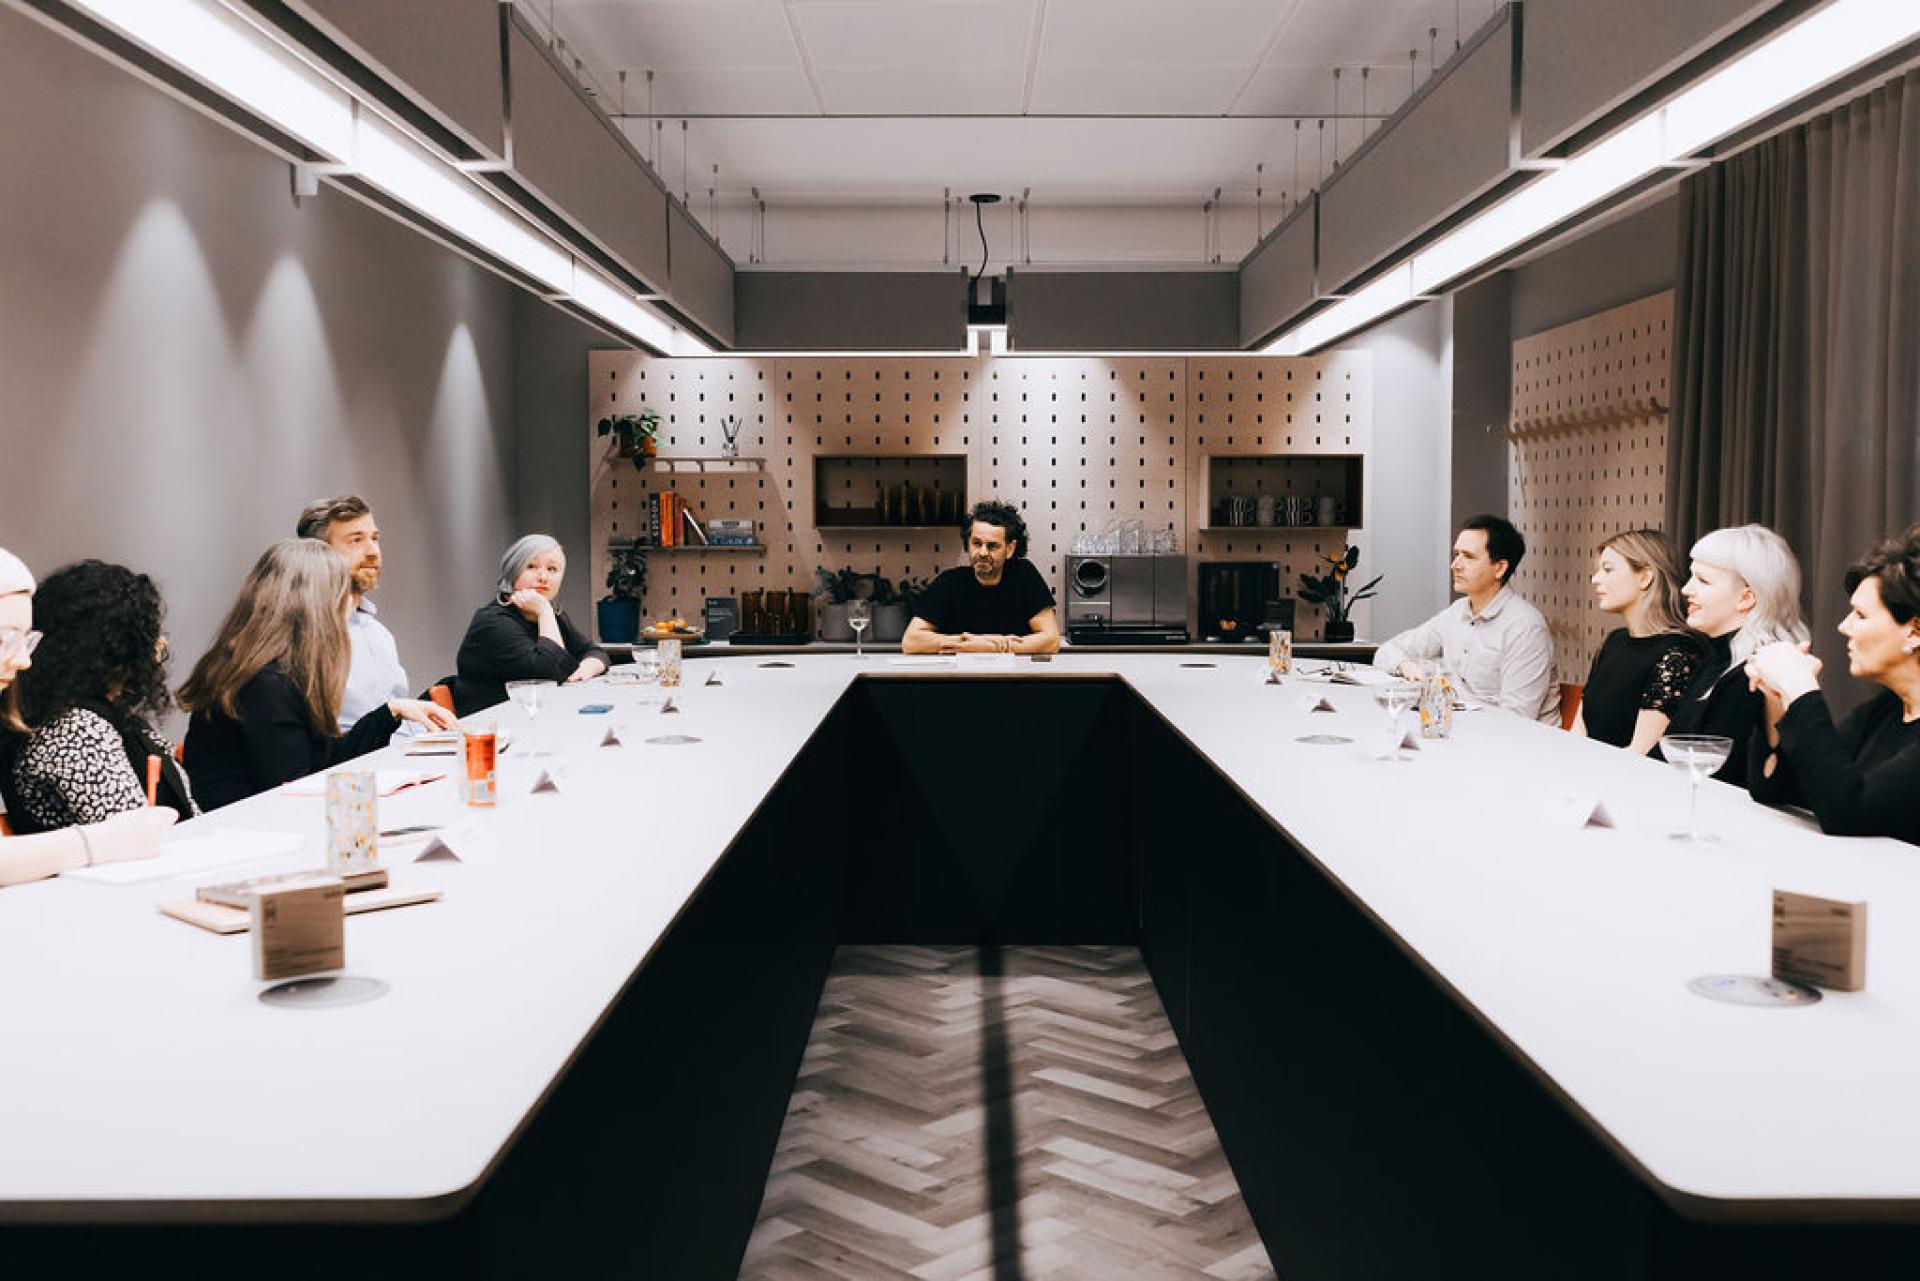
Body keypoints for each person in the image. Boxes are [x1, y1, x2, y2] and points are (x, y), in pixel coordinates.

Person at [180, 539, 455, 811]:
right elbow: (296, 791)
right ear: (314, 606)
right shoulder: (265, 685)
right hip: (250, 837)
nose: (349, 604)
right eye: (342, 593)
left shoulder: (266, 671)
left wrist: (393, 711)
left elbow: (321, 760)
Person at [0, 547, 174, 886]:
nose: (24, 661)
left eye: (27, 641)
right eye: (6, 639)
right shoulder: (73, 727)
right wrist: (101, 841)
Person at [1745, 524, 1920, 844]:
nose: (1843, 626)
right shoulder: (1884, 711)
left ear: (1914, 631)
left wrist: (1801, 689)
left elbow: (1848, 812)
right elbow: (1778, 788)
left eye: (1861, 615)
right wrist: (1778, 697)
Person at [1658, 525, 1809, 786]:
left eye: (1703, 581)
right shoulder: (1717, 660)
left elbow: (1721, 780)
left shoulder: (1754, 675)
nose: (1685, 590)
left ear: (1746, 598)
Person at [1372, 514, 1557, 722]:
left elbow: (1517, 719)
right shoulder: (1457, 612)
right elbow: (1385, 652)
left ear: (1500, 568)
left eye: (1468, 557)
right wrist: (1405, 665)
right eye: (1456, 554)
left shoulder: (1526, 627)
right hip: (1459, 731)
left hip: (1513, 746)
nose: (1455, 565)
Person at [1570, 531, 1708, 755]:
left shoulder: (1678, 652)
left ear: (1645, 577)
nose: (1595, 579)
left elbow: (1640, 753)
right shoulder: (1615, 641)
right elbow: (1579, 729)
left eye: (1607, 569)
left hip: (1626, 780)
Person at [456, 534, 609, 710]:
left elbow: (594, 651)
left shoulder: (550, 615)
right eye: (531, 566)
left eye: (552, 569)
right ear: (512, 572)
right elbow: (551, 675)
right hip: (491, 727)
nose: (543, 577)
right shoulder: (493, 622)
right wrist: (544, 611)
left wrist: (586, 669)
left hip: (531, 718)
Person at [296, 496, 409, 731]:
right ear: (319, 554)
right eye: (355, 541)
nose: (373, 552)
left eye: (374, 538)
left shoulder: (378, 633)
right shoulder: (304, 638)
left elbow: (399, 722)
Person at [901, 500, 1061, 655]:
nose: (983, 553)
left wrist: (991, 647)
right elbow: (911, 641)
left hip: (1014, 678)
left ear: (1010, 549)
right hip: (959, 678)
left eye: (992, 546)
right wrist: (971, 643)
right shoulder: (949, 582)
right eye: (977, 543)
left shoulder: (1024, 576)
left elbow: (1051, 640)